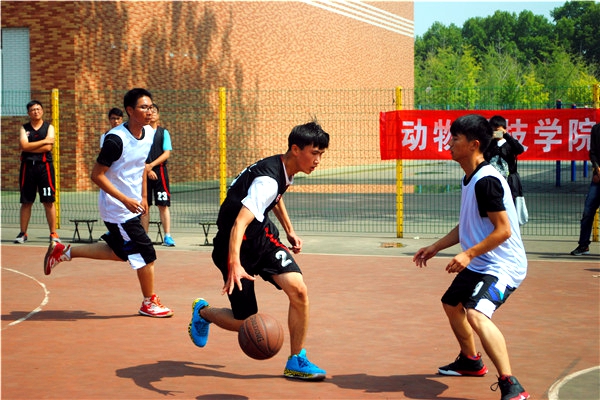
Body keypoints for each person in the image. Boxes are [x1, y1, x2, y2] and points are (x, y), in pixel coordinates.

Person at [188, 120, 329, 381]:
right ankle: (203, 313)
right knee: (246, 322)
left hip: (261, 239)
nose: (318, 160)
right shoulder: (268, 180)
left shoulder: (283, 168)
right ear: (296, 149)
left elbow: (274, 198)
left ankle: (296, 360)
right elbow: (239, 223)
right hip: (233, 246)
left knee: (298, 290)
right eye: (314, 153)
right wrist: (234, 263)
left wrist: (289, 230)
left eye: (321, 154)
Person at [413, 114, 529, 400]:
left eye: (455, 139)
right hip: (483, 262)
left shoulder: (486, 181)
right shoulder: (471, 178)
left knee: (476, 313)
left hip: (503, 265)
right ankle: (470, 361)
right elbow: (468, 224)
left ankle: (512, 385)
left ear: (474, 144)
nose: (449, 144)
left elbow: (503, 231)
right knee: (451, 303)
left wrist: (468, 253)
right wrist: (437, 246)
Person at [43, 88, 173, 318]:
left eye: (151, 107)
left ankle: (63, 251)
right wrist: (124, 199)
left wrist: (143, 197)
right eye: (143, 107)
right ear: (130, 110)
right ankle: (149, 302)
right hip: (117, 209)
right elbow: (97, 175)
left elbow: (141, 168)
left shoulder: (149, 134)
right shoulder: (115, 140)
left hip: (132, 204)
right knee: (146, 253)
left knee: (119, 252)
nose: (149, 111)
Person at [15, 100, 61, 244]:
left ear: (42, 111)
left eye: (38, 109)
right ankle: (23, 233)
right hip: (28, 167)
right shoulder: (24, 128)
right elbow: (24, 145)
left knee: (48, 201)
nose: (36, 111)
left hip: (44, 167)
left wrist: (31, 146)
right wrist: (43, 141)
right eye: (33, 110)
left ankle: (53, 233)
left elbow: (48, 148)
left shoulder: (49, 127)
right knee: (26, 202)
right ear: (28, 113)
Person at [140, 103, 176, 247]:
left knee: (163, 205)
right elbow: (138, 153)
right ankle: (144, 238)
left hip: (160, 171)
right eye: (149, 110)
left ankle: (167, 236)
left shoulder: (163, 132)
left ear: (158, 115)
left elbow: (166, 153)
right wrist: (147, 169)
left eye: (155, 111)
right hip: (144, 172)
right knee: (144, 206)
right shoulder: (141, 132)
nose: (152, 113)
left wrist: (152, 165)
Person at [571, 122, 600, 256]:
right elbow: (592, 152)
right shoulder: (596, 129)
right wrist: (597, 168)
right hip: (598, 178)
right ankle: (583, 245)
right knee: (588, 211)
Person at [483, 115, 525, 202]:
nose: (495, 132)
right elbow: (483, 156)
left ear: (504, 129)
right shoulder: (489, 144)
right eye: (493, 130)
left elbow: (520, 149)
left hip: (508, 180)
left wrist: (506, 135)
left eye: (497, 130)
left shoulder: (509, 143)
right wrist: (489, 139)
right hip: (492, 180)